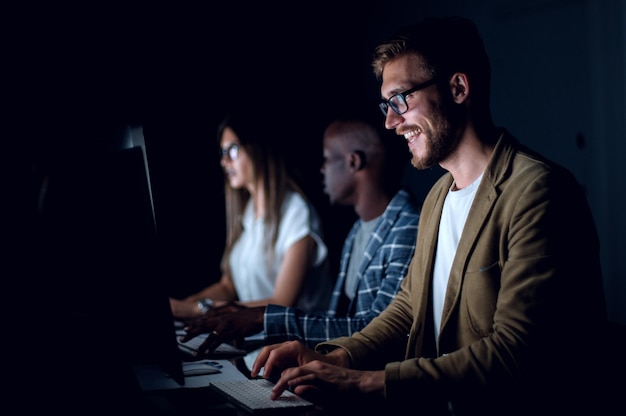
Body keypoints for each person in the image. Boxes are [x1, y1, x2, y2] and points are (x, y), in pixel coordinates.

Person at [250, 16, 608, 416]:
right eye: (386, 105)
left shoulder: (538, 191)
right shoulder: (438, 195)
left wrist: (366, 382)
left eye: (401, 100)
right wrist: (337, 359)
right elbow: (407, 307)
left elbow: (515, 353)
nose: (390, 121)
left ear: (457, 88)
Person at [180, 117, 422, 357]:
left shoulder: (407, 228)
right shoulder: (358, 230)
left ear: (353, 162)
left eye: (327, 160)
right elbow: (340, 322)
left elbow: (376, 332)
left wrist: (261, 317)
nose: (322, 169)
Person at [170, 111, 333, 320]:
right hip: (256, 342)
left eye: (233, 150)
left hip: (300, 346)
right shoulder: (245, 214)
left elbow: (282, 302)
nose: (224, 161)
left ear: (257, 149)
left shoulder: (297, 212)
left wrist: (198, 310)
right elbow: (227, 286)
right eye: (222, 152)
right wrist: (184, 306)